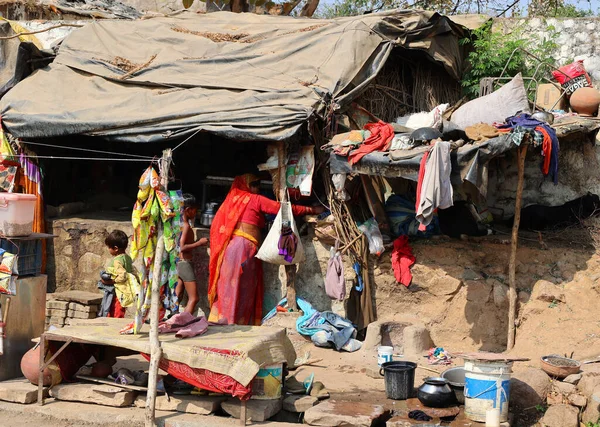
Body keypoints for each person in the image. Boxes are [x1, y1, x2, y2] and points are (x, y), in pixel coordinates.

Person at [208, 174, 324, 326]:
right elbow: (283, 209)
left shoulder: (231, 202)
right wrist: (312, 209)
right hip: (243, 248)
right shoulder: (253, 199)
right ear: (246, 185)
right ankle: (230, 324)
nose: (258, 188)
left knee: (230, 287)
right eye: (255, 184)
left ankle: (226, 322)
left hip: (234, 249)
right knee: (239, 288)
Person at [175, 194, 208, 314]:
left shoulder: (178, 224)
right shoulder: (186, 226)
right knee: (194, 298)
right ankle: (184, 321)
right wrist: (199, 243)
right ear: (188, 210)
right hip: (185, 263)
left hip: (179, 263)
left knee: (177, 295)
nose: (196, 213)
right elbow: (182, 247)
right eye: (195, 210)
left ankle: (171, 316)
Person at [98, 230, 138, 318]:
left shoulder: (117, 260)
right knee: (120, 310)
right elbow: (133, 272)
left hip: (117, 291)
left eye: (109, 247)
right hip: (125, 291)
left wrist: (111, 281)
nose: (108, 250)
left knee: (115, 311)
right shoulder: (127, 258)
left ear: (115, 248)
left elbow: (122, 275)